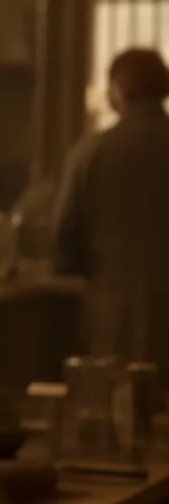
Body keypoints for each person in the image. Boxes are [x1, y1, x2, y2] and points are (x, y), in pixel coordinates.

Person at [53, 47, 169, 365]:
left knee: (119, 402)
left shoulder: (91, 153)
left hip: (115, 315)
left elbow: (65, 243)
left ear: (117, 91)